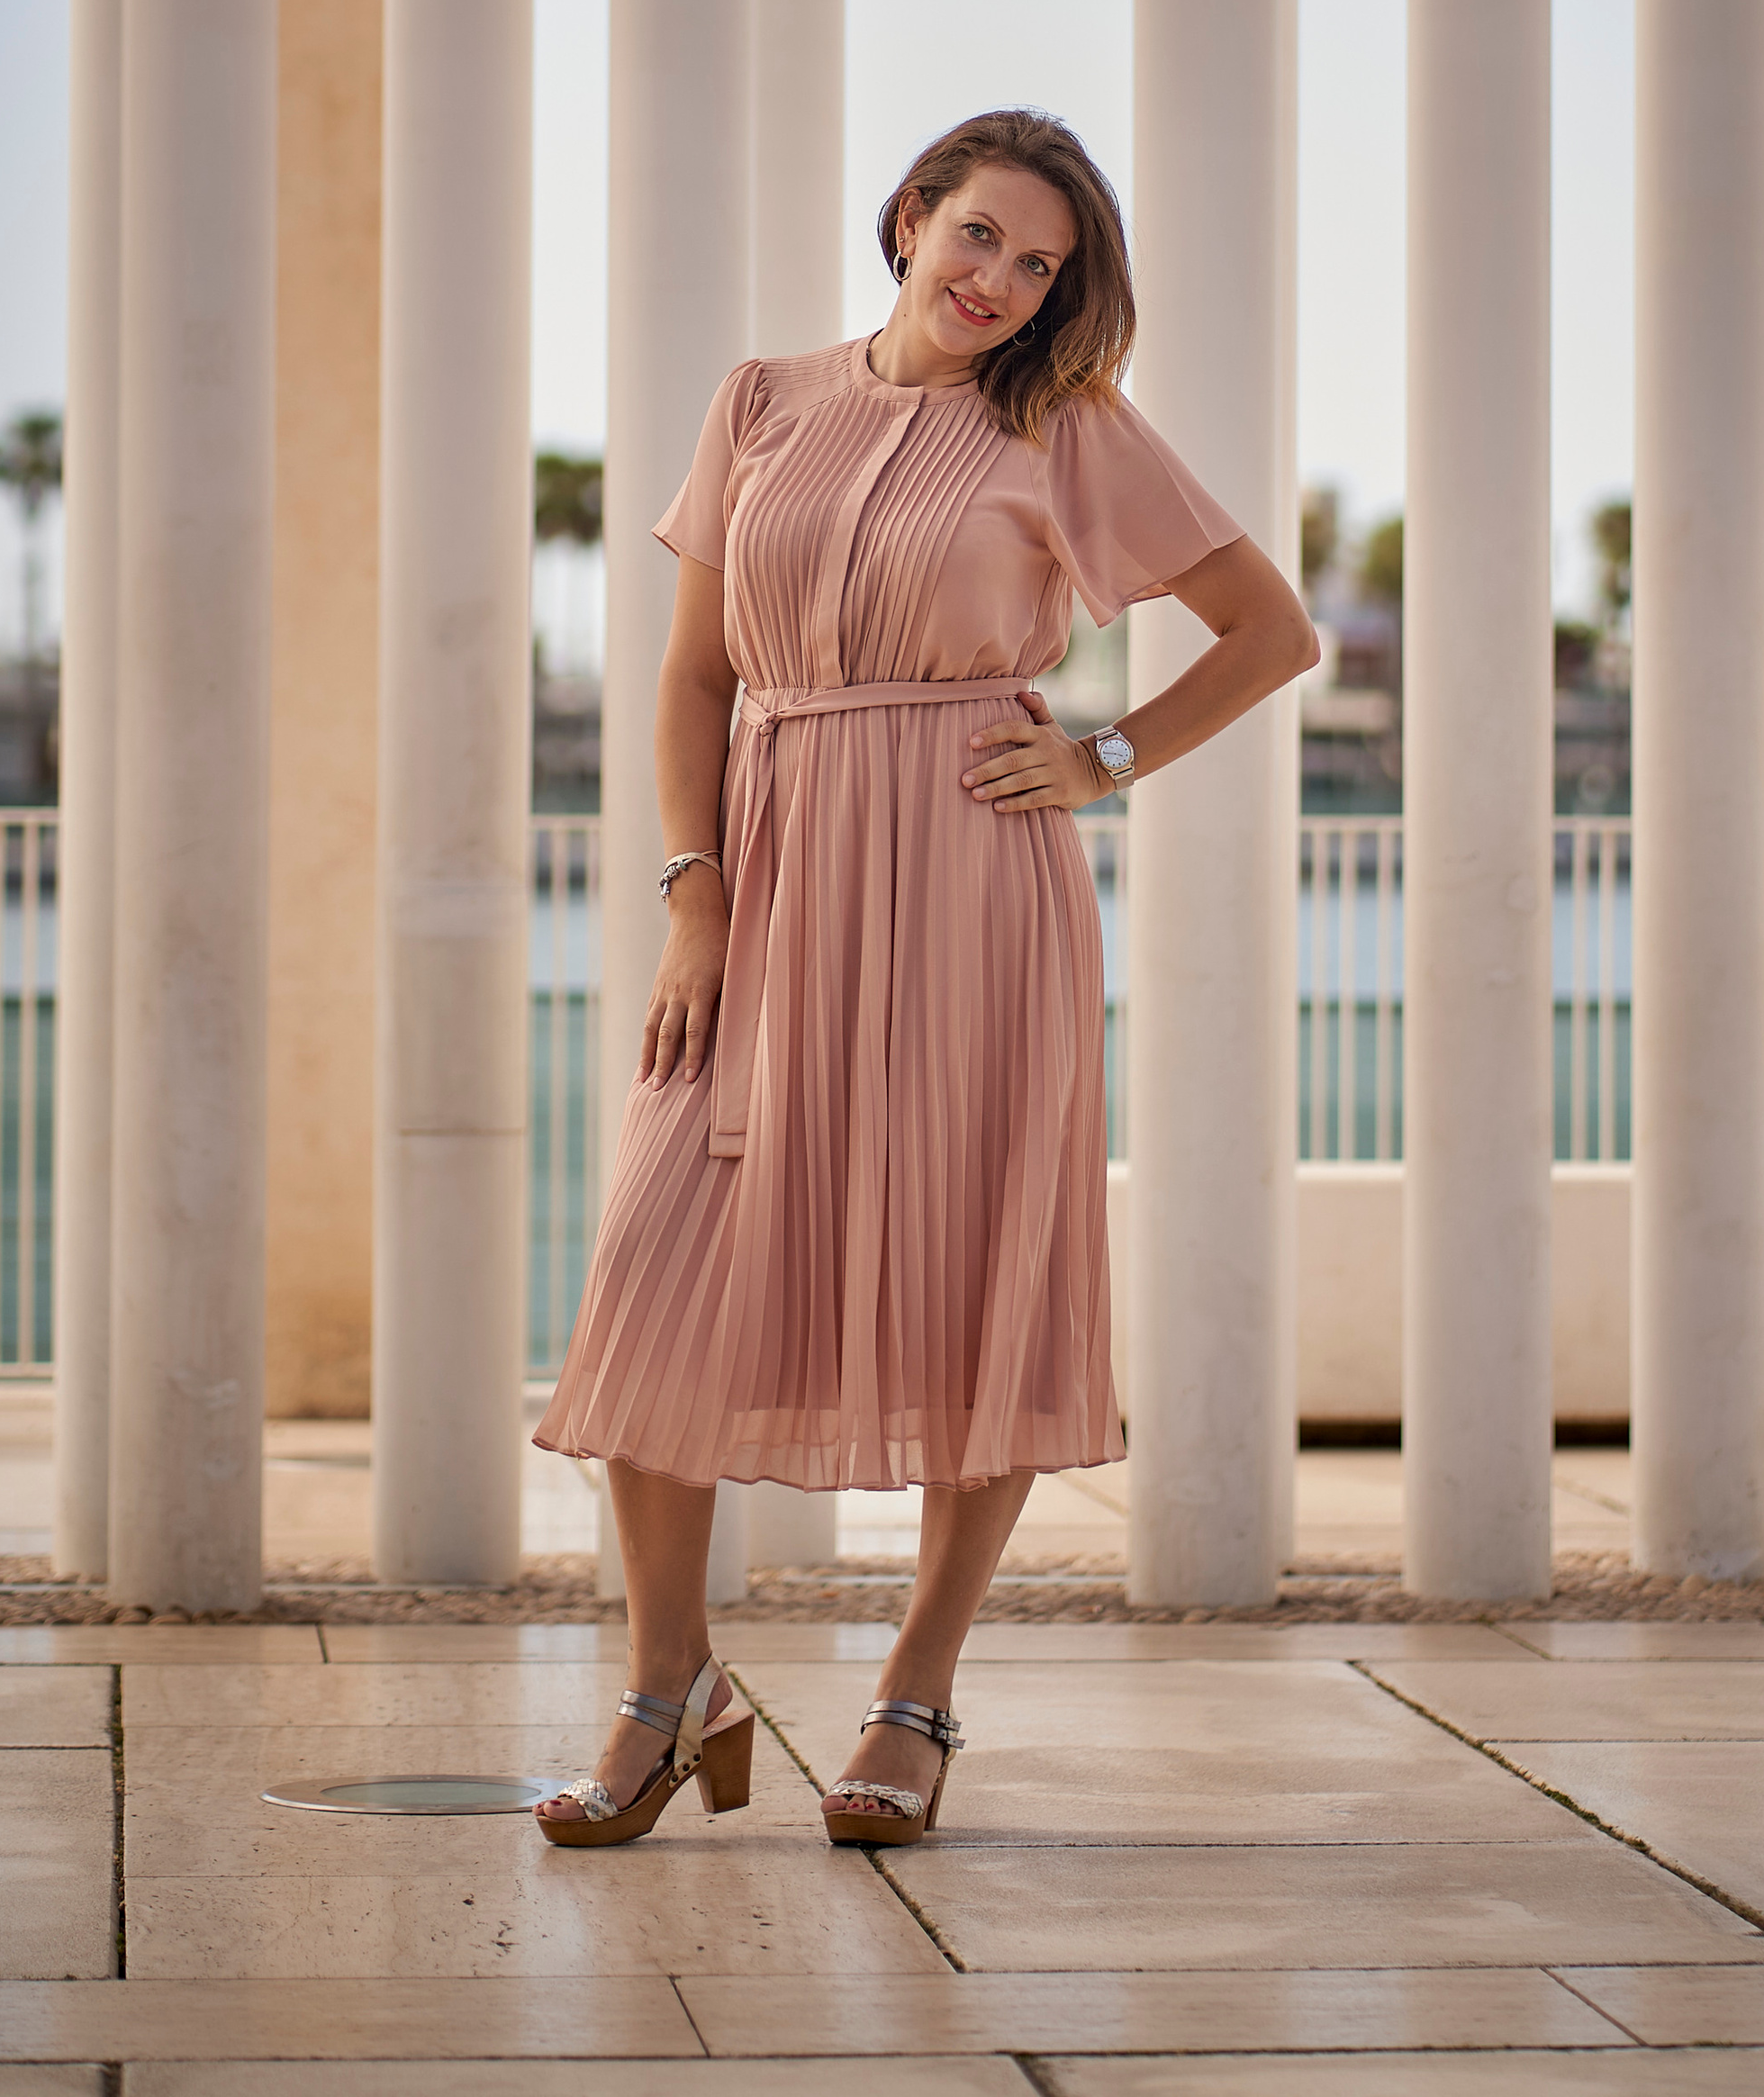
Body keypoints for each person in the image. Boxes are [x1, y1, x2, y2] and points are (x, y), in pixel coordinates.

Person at [531, 107, 1316, 1849]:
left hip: (977, 902)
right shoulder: (760, 402)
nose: (1000, 282)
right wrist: (696, 899)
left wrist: (1108, 758)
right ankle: (675, 1692)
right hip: (767, 885)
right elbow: (691, 680)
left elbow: (1273, 630)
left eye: (1040, 265)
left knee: (982, 1281)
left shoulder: (1069, 426)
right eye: (980, 235)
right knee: (655, 1282)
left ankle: (915, 1693)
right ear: (908, 217)